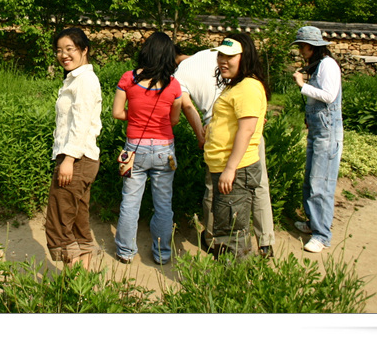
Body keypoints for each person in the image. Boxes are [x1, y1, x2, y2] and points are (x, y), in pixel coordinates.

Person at [174, 46, 276, 258]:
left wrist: (201, 136)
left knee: (218, 192)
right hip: (247, 129)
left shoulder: (182, 72)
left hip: (230, 139)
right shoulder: (216, 58)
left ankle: (215, 239)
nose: (222, 61)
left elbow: (187, 105)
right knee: (258, 186)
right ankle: (265, 242)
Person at [112, 32, 183, 265]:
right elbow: (174, 120)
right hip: (164, 149)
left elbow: (117, 113)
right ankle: (162, 253)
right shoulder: (173, 85)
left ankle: (125, 251)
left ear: (146, 51)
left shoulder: (128, 79)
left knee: (130, 201)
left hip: (135, 148)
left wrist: (135, 116)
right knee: (163, 204)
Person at [203, 33, 270, 260]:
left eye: (230, 56)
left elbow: (247, 130)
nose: (223, 61)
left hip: (236, 170)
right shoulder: (237, 85)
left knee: (231, 234)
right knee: (227, 227)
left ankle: (234, 277)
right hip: (225, 167)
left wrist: (230, 169)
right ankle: (233, 275)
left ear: (245, 57)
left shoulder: (248, 87)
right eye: (221, 55)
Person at [44, 28, 102, 269]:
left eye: (70, 49)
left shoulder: (85, 81)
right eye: (59, 50)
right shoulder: (76, 79)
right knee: (78, 220)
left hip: (76, 159)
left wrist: (68, 160)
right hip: (81, 159)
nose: (63, 55)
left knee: (59, 223)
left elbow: (81, 123)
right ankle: (82, 284)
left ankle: (72, 283)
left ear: (84, 49)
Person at [291, 26, 343, 253]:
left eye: (302, 47)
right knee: (311, 180)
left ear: (312, 47)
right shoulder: (319, 65)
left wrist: (302, 85)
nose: (301, 51)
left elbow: (329, 96)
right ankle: (313, 223)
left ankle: (322, 235)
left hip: (327, 132)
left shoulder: (328, 65)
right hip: (318, 130)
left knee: (321, 184)